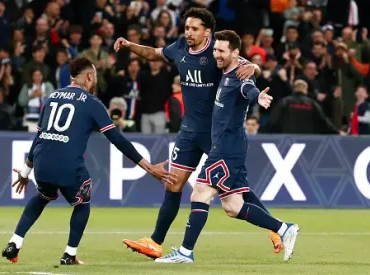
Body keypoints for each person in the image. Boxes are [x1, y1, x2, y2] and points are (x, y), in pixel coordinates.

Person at [114, 7, 283, 259]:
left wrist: (256, 67)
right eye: (187, 28)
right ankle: (155, 242)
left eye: (194, 29)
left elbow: (245, 67)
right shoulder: (181, 47)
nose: (189, 33)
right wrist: (129, 45)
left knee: (236, 190)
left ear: (208, 32)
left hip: (216, 134)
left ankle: (274, 227)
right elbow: (155, 53)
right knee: (174, 183)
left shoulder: (217, 52)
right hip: (188, 130)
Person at [1, 57, 177, 265]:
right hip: (67, 165)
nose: (95, 82)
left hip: (42, 162)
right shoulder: (93, 103)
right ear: (89, 76)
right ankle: (69, 254)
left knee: (42, 197)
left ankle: (14, 242)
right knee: (83, 202)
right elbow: (117, 139)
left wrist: (24, 171)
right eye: (94, 78)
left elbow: (39, 136)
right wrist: (148, 167)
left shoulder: (52, 97)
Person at [155, 30, 300, 264]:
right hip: (227, 146)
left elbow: (248, 89)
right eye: (215, 50)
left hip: (226, 148)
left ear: (235, 52)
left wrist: (257, 97)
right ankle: (284, 229)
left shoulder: (240, 75)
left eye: (221, 51)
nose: (216, 55)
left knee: (200, 193)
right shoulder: (226, 70)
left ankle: (185, 252)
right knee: (233, 206)